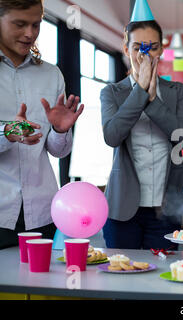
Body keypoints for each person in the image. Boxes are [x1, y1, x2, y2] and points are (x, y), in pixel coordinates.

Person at [100, 1, 183, 249]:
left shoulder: (178, 91)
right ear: (125, 48)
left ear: (161, 49)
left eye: (152, 48)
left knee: (165, 275)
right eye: (137, 48)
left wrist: (152, 101)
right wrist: (140, 92)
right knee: (121, 273)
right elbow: (112, 136)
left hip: (167, 206)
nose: (145, 55)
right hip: (123, 206)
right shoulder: (112, 93)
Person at [0, 0, 83, 249]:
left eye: (36, 24)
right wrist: (7, 132)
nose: (30, 33)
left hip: (42, 213)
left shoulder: (51, 74)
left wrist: (60, 130)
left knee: (41, 286)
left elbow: (58, 151)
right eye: (20, 24)